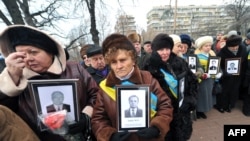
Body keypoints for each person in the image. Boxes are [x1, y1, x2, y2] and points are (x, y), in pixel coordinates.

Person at [0, 25, 100, 141]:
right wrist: (12, 77)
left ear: (51, 52)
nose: (28, 59)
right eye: (22, 55)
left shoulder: (75, 69)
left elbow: (96, 96)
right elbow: (6, 116)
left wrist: (86, 117)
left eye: (33, 52)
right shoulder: (17, 77)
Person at [91, 33, 173, 141]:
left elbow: (165, 105)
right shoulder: (105, 86)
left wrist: (156, 127)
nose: (119, 66)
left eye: (123, 60)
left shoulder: (148, 78)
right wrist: (110, 135)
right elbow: (98, 118)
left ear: (133, 60)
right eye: (113, 62)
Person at [142, 33, 198, 141]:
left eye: (167, 49)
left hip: (182, 115)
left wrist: (190, 100)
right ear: (154, 50)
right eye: (161, 49)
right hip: (162, 117)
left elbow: (193, 82)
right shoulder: (148, 67)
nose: (165, 53)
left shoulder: (180, 62)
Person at [217, 34, 247, 113]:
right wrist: (224, 73)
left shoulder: (243, 49)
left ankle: (231, 105)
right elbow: (219, 66)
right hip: (226, 76)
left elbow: (245, 62)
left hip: (238, 75)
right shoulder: (222, 53)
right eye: (232, 47)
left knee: (234, 91)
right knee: (225, 91)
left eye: (236, 46)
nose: (235, 48)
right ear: (228, 46)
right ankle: (223, 106)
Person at [194, 36, 221, 119]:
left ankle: (203, 110)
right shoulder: (197, 56)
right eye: (206, 46)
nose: (208, 47)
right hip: (202, 79)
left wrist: (218, 73)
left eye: (209, 45)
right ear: (201, 47)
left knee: (208, 95)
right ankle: (199, 111)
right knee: (201, 95)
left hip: (210, 79)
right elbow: (196, 69)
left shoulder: (212, 54)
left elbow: (216, 66)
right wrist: (203, 74)